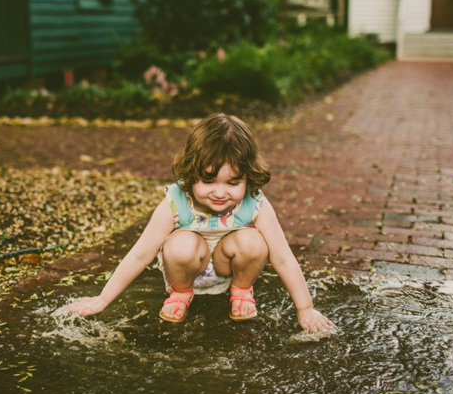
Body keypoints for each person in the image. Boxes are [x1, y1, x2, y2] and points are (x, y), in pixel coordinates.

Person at [65, 113, 335, 333]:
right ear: (191, 172)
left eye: (232, 183)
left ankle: (241, 290)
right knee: (180, 243)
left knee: (253, 241)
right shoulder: (176, 201)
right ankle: (182, 295)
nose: (220, 193)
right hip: (186, 269)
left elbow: (283, 257)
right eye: (208, 181)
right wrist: (101, 299)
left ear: (248, 177)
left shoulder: (254, 202)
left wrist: (305, 308)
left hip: (229, 268)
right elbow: (140, 254)